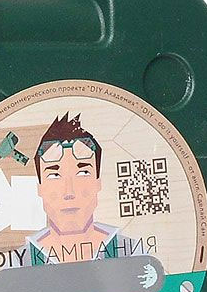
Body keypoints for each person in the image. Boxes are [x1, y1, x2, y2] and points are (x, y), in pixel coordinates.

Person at [23, 113, 139, 264]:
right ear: (39, 188)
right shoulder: (19, 262)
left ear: (98, 182)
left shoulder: (134, 252)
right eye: (54, 175)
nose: (69, 192)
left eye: (83, 173)